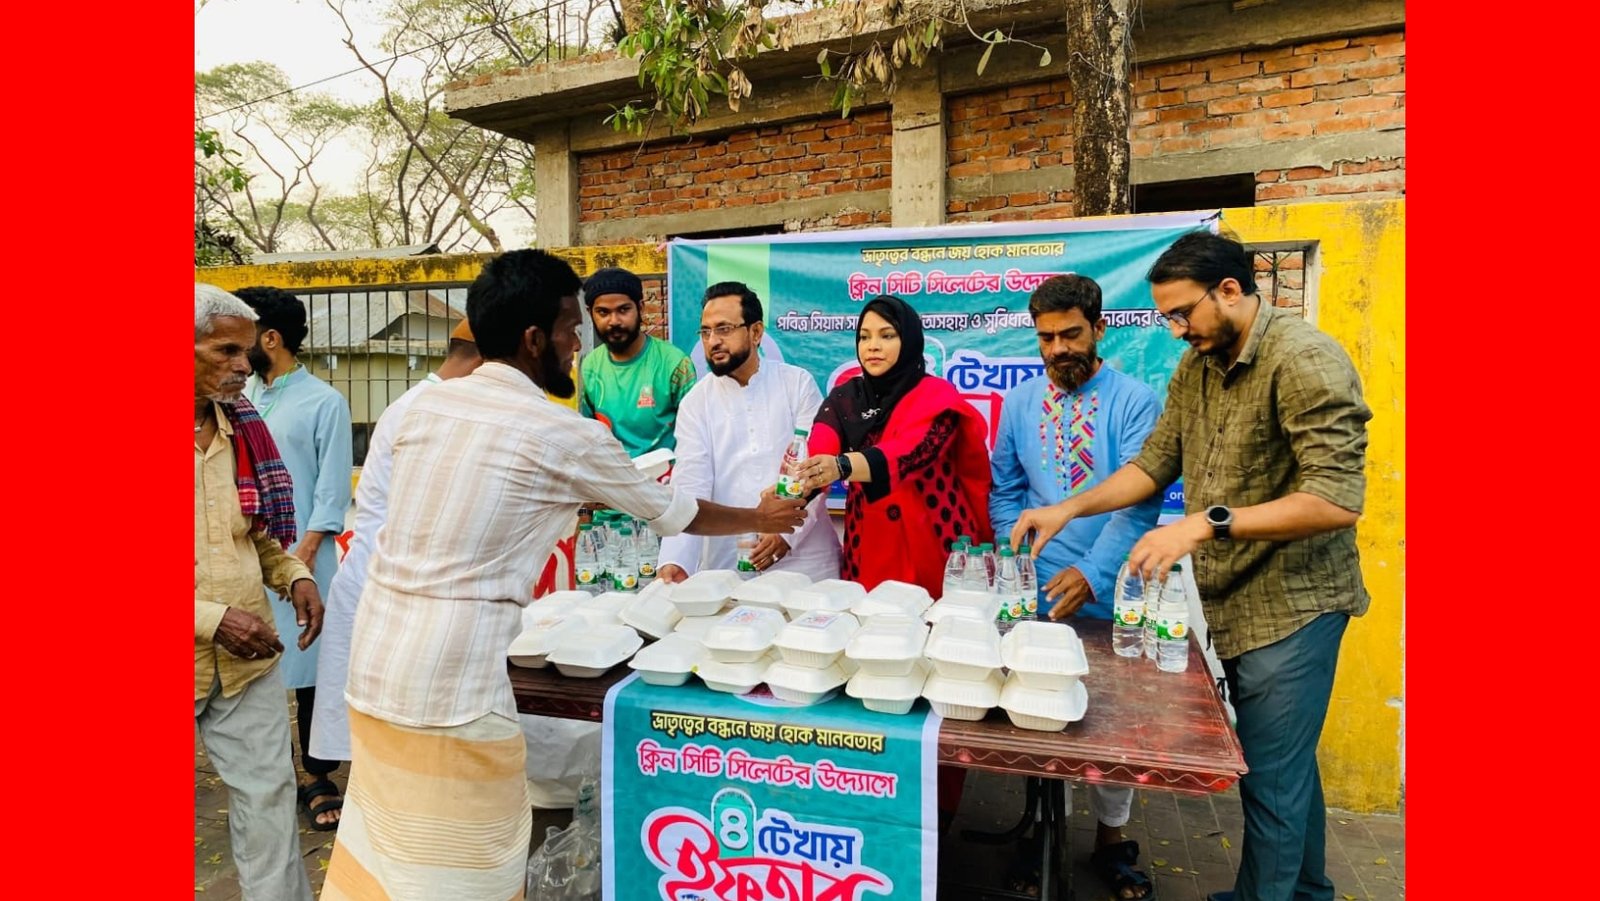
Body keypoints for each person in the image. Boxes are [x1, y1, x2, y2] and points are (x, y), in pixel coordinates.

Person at [322, 249, 808, 901]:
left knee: (383, 868)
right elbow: (673, 510)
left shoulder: (415, 409)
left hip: (374, 673)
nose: (580, 345)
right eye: (570, 329)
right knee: (465, 877)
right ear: (533, 339)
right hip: (454, 694)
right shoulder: (557, 431)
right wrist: (759, 513)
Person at [1011, 232, 1372, 901]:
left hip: (1294, 603)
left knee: (1268, 780)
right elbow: (1152, 467)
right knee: (1285, 771)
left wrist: (1207, 521)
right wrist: (1068, 507)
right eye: (1168, 318)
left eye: (1183, 314)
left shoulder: (1305, 359)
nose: (1177, 330)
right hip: (1236, 600)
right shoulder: (1198, 367)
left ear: (1229, 290)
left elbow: (1335, 498)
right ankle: (1307, 890)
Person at [791, 293, 992, 833]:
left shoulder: (937, 397)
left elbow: (913, 453)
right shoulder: (846, 397)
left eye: (886, 335)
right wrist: (809, 473)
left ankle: (940, 810)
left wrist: (838, 464)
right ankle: (875, 793)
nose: (873, 346)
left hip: (936, 551)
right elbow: (823, 441)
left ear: (909, 341)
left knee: (939, 675)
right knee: (873, 665)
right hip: (868, 554)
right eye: (864, 336)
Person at [989, 274, 1161, 900]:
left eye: (1070, 334)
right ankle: (1041, 826)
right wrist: (1024, 559)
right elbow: (1005, 491)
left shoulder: (1136, 399)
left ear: (1099, 329)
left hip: (1113, 584)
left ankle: (1112, 836)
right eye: (1045, 338)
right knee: (1038, 712)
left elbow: (1139, 505)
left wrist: (1090, 573)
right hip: (1037, 588)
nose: (1058, 349)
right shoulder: (1018, 402)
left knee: (1111, 722)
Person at [194, 283, 323, 901]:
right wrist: (209, 618)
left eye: (247, 352)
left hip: (245, 658)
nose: (246, 366)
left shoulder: (240, 426)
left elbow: (258, 536)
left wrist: (294, 574)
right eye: (226, 352)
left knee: (270, 797)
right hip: (207, 641)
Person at [306, 319, 482, 765]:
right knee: (391, 750)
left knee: (390, 747)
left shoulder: (428, 403)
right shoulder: (429, 411)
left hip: (390, 586)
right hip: (387, 588)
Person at [236, 285, 354, 832]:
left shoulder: (323, 402)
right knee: (255, 662)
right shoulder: (239, 401)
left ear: (271, 337)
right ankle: (274, 767)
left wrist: (302, 556)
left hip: (306, 556)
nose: (237, 353)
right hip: (247, 557)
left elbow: (331, 489)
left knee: (309, 665)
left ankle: (317, 773)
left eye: (244, 340)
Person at [656, 281, 841, 582]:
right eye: (705, 332)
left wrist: (785, 533)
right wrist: (677, 561)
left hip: (806, 559)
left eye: (724, 329)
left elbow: (815, 466)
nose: (712, 341)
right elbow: (691, 483)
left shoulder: (796, 384)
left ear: (755, 332)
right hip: (731, 559)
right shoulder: (696, 403)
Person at [578, 266, 696, 456]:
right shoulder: (591, 365)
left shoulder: (675, 364)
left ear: (640, 308)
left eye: (623, 310)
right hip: (613, 479)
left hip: (666, 479)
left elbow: (696, 437)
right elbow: (589, 434)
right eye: (603, 312)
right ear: (590, 312)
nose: (614, 321)